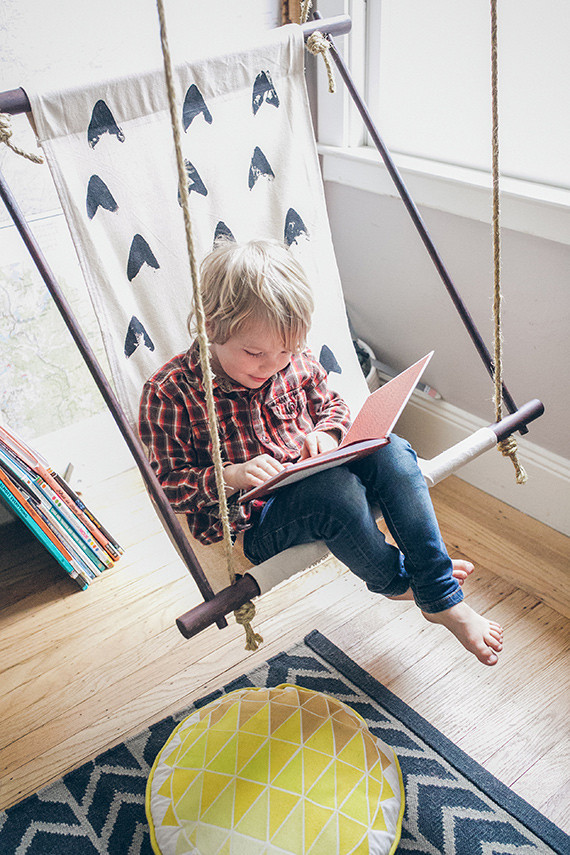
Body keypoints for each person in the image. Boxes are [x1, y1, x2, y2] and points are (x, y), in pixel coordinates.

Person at [139, 239, 503, 666]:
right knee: (336, 495)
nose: (271, 365)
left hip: (316, 475)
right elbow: (167, 487)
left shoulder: (293, 360)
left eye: (285, 352)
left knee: (394, 449)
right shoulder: (169, 392)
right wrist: (231, 475)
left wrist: (328, 434)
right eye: (254, 352)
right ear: (210, 326)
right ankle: (397, 580)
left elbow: (332, 406)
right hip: (252, 523)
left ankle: (437, 589)